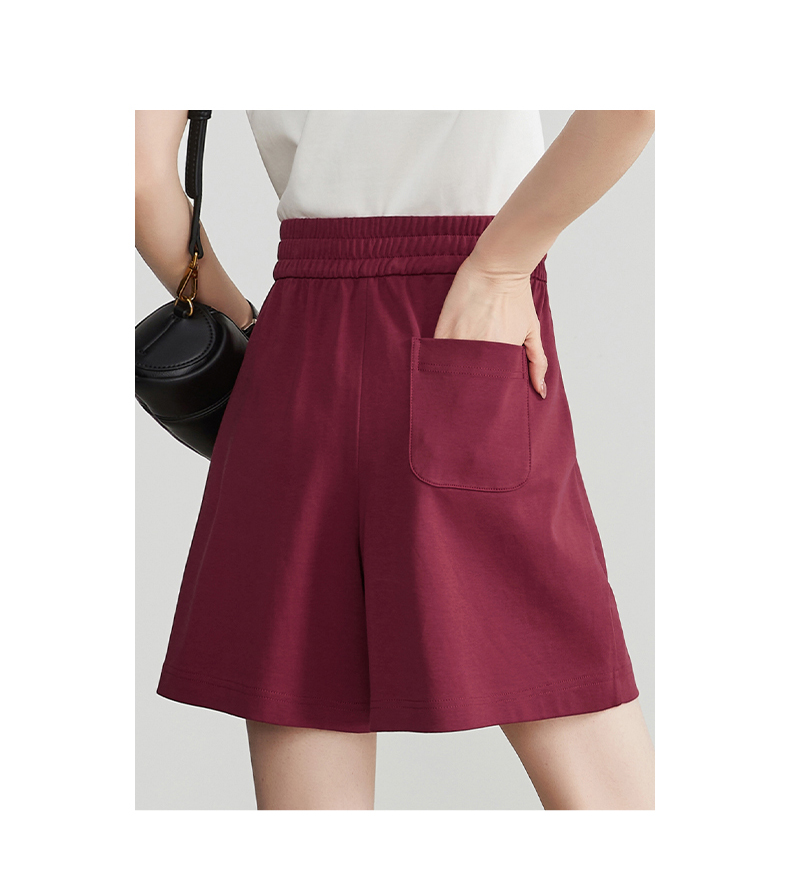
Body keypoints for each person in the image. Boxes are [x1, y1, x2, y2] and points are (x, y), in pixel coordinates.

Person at [135, 109, 656, 810]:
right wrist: (501, 267)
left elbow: (140, 178)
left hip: (297, 347)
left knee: (307, 738)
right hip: (465, 310)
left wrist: (250, 329)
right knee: (590, 752)